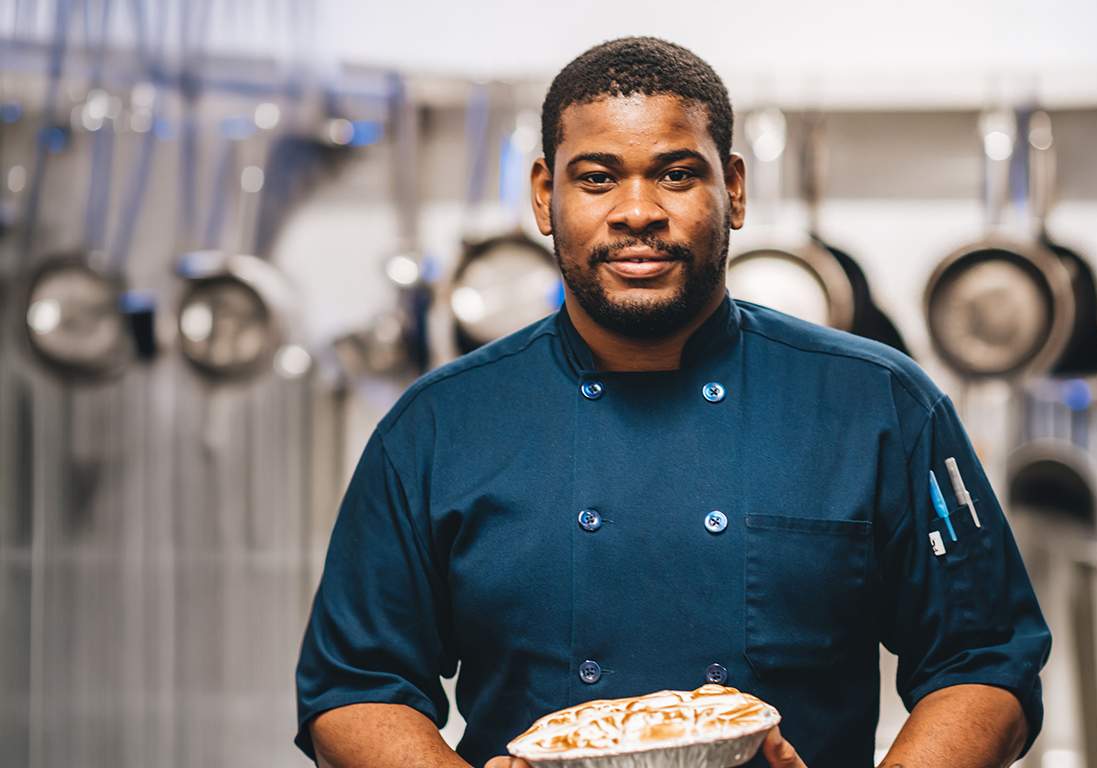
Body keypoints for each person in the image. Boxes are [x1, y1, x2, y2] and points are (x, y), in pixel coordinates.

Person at [296, 37, 1051, 768]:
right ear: (543, 196)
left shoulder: (879, 404)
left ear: (734, 190)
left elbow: (981, 660)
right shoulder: (437, 426)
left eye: (676, 174)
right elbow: (355, 688)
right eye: (595, 178)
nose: (636, 212)